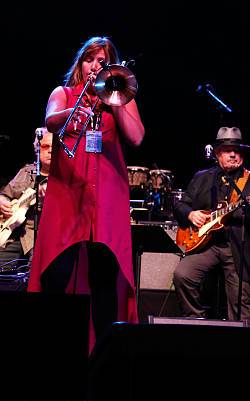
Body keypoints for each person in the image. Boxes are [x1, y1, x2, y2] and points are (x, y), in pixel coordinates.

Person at [28, 37, 145, 345]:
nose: (96, 66)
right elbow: (50, 120)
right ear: (81, 64)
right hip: (69, 196)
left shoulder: (121, 98)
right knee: (56, 273)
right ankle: (51, 350)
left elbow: (136, 137)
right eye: (91, 60)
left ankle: (100, 367)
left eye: (103, 62)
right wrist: (70, 114)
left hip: (107, 200)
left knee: (104, 280)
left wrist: (114, 99)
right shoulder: (64, 93)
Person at [173, 127, 250, 326]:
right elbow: (180, 204)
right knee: (182, 275)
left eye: (236, 150)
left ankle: (240, 343)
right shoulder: (202, 177)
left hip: (237, 246)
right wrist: (191, 214)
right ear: (217, 154)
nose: (233, 154)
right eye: (227, 150)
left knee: (239, 303)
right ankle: (195, 322)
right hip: (206, 245)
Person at [0, 128, 52, 263]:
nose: (51, 150)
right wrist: (2, 202)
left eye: (55, 147)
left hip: (41, 238)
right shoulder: (27, 171)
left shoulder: (62, 178)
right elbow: (5, 194)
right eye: (46, 146)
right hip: (12, 234)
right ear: (37, 149)